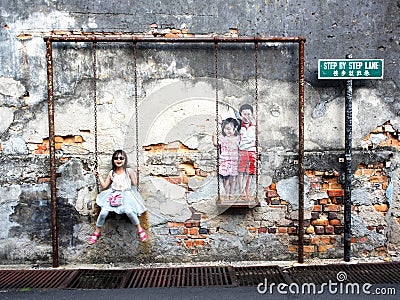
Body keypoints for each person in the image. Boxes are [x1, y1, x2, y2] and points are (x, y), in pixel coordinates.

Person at [88, 149, 148, 245]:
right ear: (113, 160)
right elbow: (104, 186)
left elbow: (135, 183)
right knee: (103, 213)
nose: (119, 160)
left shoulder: (128, 171)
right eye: (116, 158)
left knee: (129, 211)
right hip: (114, 195)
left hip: (127, 195)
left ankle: (140, 229)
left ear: (125, 160)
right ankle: (97, 231)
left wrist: (137, 173)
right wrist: (99, 176)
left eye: (121, 158)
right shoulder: (112, 173)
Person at [212, 117, 240, 199]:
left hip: (234, 160)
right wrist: (214, 135)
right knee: (226, 178)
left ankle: (232, 194)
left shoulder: (236, 138)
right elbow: (215, 143)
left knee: (233, 178)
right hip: (224, 160)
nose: (227, 131)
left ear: (234, 129)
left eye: (229, 129)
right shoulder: (222, 138)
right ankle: (227, 193)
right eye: (225, 129)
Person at [237, 104, 257, 200]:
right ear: (241, 115)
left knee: (251, 172)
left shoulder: (254, 127)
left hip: (252, 151)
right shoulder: (238, 127)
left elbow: (259, 132)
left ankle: (247, 189)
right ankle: (241, 191)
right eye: (244, 114)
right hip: (242, 151)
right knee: (241, 171)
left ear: (252, 115)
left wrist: (256, 120)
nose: (246, 116)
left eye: (249, 114)